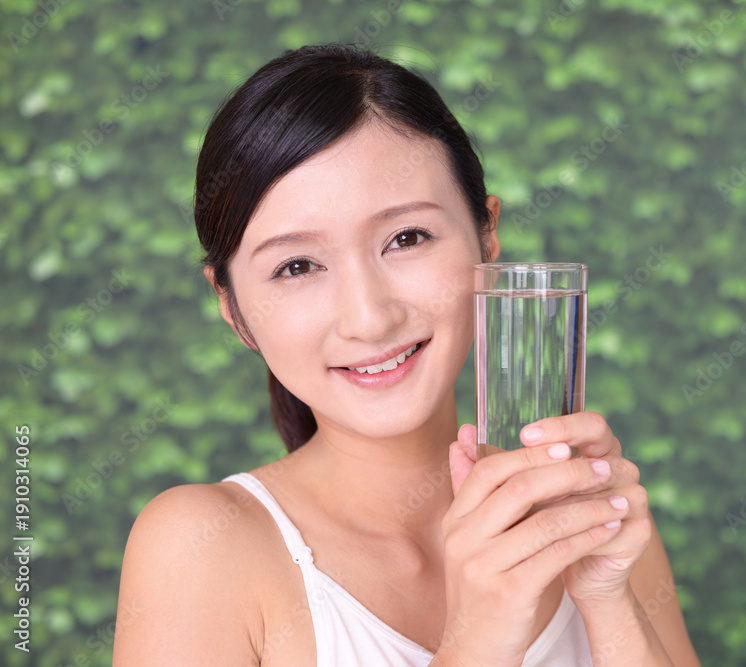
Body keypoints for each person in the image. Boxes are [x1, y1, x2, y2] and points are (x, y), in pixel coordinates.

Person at [113, 43, 700, 667]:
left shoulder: (587, 512)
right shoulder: (200, 549)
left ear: (486, 236)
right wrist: (478, 634)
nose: (370, 317)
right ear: (232, 308)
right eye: (297, 266)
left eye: (406, 237)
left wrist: (606, 597)